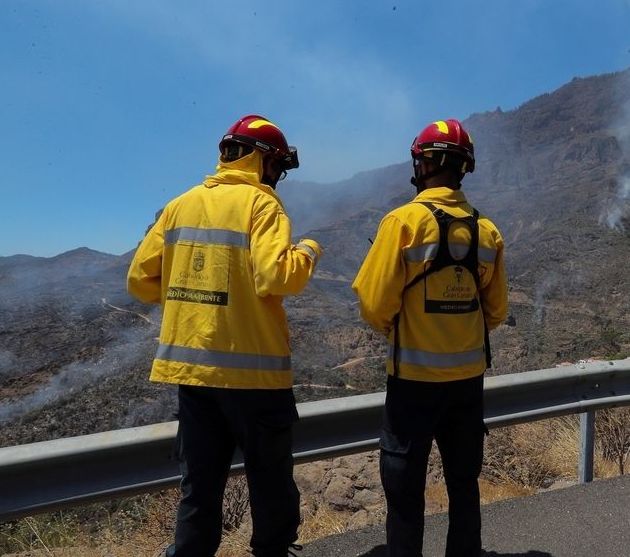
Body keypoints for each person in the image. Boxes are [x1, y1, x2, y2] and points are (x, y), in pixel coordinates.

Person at [127, 114, 321, 557]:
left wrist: (186, 297)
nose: (277, 176)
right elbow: (278, 277)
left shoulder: (180, 205)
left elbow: (138, 280)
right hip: (255, 376)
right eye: (277, 166)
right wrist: (308, 251)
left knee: (200, 484)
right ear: (262, 160)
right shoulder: (262, 205)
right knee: (270, 480)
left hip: (194, 375)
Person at [352, 118, 509, 557]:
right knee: (463, 482)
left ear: (424, 164)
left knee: (404, 488)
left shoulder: (403, 223)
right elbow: (496, 311)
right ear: (464, 167)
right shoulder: (486, 230)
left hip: (413, 383)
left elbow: (373, 302)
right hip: (467, 383)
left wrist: (400, 328)